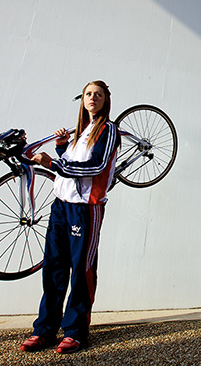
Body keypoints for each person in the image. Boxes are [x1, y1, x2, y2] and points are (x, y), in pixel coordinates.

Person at [20, 80, 119, 354]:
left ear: (105, 100)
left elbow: (95, 165)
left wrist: (52, 162)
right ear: (82, 99)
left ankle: (75, 332)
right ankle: (45, 330)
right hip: (60, 206)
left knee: (81, 270)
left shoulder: (108, 130)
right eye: (88, 94)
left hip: (86, 209)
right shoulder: (80, 130)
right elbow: (72, 163)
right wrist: (63, 148)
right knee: (53, 268)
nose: (92, 98)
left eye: (98, 95)